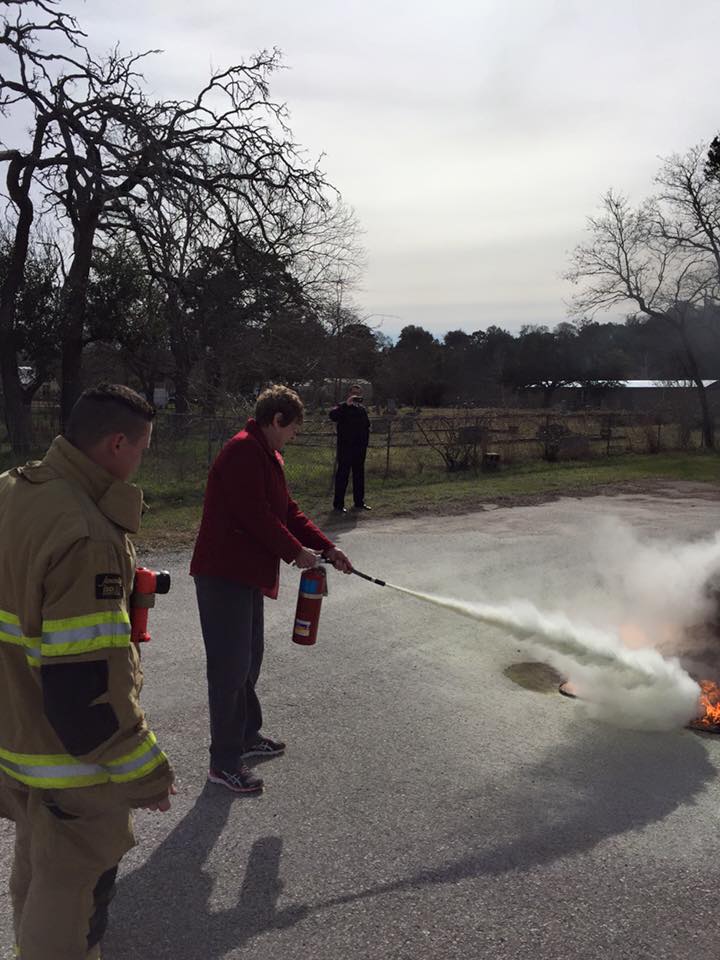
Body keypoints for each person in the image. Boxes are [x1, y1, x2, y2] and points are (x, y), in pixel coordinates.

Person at [0, 383, 174, 960]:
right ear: (117, 443)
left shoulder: (13, 491)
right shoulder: (87, 533)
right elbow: (86, 690)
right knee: (70, 887)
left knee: (38, 869)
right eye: (142, 448)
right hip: (67, 759)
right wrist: (144, 773)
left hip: (16, 740)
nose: (141, 460)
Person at [190, 384, 352, 794]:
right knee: (229, 670)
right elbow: (256, 516)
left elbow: (286, 510)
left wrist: (327, 546)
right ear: (276, 420)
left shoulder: (268, 454)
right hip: (223, 573)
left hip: (246, 576)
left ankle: (246, 735)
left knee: (249, 659)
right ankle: (223, 762)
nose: (293, 438)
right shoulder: (244, 450)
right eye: (293, 429)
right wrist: (295, 551)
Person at [329, 383, 371, 513]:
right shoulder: (342, 406)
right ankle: (338, 505)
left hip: (359, 449)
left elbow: (367, 426)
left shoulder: (362, 409)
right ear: (349, 394)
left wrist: (365, 443)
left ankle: (359, 502)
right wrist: (347, 404)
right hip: (345, 449)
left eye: (358, 394)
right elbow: (332, 416)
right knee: (343, 476)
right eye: (354, 393)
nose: (356, 396)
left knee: (359, 476)